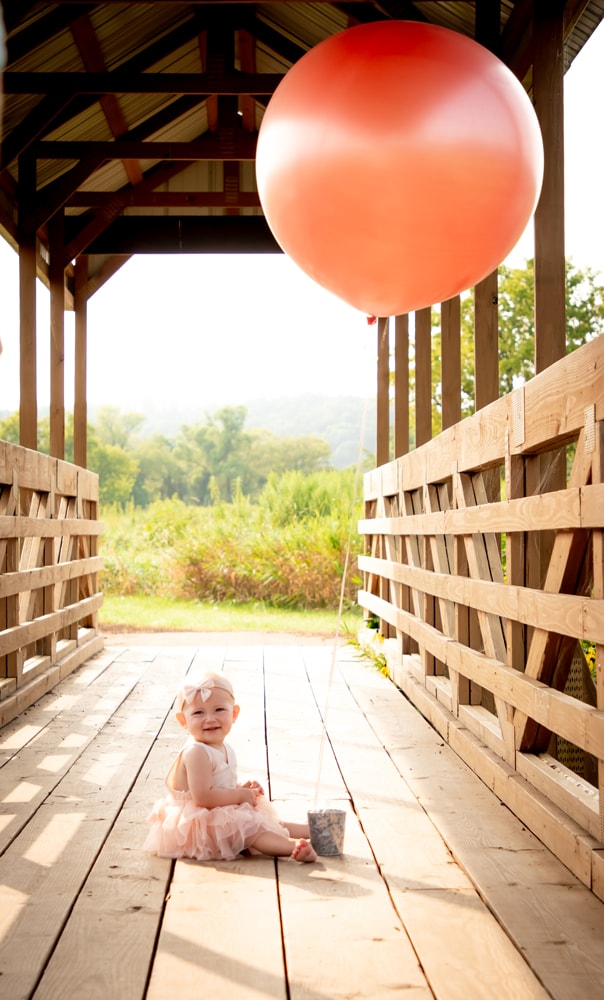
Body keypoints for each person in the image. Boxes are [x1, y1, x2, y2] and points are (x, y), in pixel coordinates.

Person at [144, 672, 317, 862]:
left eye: (219, 710)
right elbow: (203, 797)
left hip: (216, 811)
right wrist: (239, 795)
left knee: (263, 820)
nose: (210, 719)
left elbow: (220, 785)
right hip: (197, 823)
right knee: (251, 831)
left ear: (234, 714)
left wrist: (241, 788)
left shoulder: (224, 747)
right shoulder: (196, 752)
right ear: (183, 720)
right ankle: (292, 848)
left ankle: (312, 831)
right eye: (198, 712)